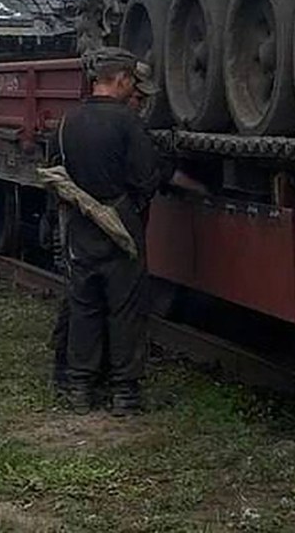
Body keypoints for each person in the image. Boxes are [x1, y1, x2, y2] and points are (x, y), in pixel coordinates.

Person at [55, 47, 205, 415]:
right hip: (121, 227)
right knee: (125, 310)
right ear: (121, 79)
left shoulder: (67, 121)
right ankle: (124, 393)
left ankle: (80, 388)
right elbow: (144, 177)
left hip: (80, 226)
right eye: (133, 85)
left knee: (85, 305)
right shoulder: (128, 123)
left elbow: (54, 173)